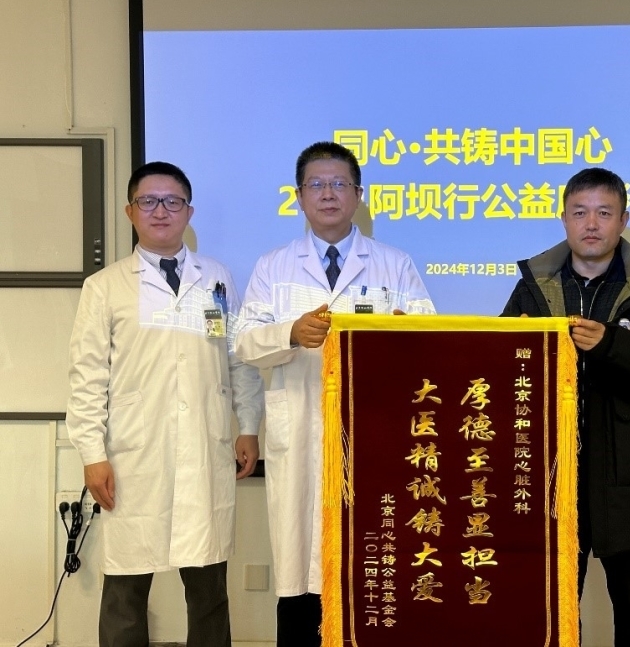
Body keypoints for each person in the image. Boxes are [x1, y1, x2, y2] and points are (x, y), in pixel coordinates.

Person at [235, 140, 435, 645]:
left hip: (375, 431)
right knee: (301, 572)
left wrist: (400, 335)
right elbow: (244, 343)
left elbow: (430, 336)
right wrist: (289, 333)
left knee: (372, 563)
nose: (328, 194)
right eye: (317, 185)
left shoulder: (394, 264)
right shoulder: (273, 266)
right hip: (300, 432)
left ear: (358, 195)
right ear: (299, 196)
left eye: (339, 184)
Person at [65, 162, 265, 646]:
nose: (161, 211)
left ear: (189, 212)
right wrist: (92, 454)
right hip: (134, 457)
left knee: (209, 589)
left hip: (204, 449)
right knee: (125, 591)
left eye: (173, 202)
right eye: (149, 201)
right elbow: (87, 377)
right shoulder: (105, 286)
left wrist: (248, 425)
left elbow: (238, 358)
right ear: (130, 211)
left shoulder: (215, 278)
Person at [500, 167, 630, 646]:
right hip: (552, 475)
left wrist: (611, 344)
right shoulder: (532, 287)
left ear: (623, 220)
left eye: (604, 213)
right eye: (580, 212)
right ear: (563, 219)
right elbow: (502, 365)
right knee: (553, 606)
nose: (591, 224)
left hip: (629, 473)